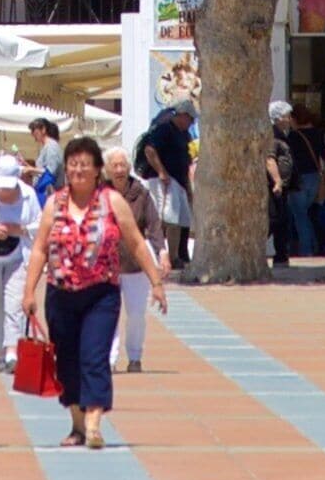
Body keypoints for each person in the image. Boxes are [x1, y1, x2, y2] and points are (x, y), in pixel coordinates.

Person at [22, 135, 166, 449]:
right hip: (60, 293)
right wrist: (29, 290)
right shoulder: (54, 203)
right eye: (73, 165)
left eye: (85, 165)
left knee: (95, 356)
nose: (78, 171)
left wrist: (156, 282)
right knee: (67, 360)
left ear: (97, 169)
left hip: (101, 293)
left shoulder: (112, 201)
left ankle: (93, 423)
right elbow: (38, 250)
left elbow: (137, 243)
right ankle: (77, 425)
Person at [0, 155, 39, 364]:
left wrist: (20, 229)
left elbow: (39, 225)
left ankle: (13, 351)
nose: (5, 190)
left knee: (14, 303)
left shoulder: (29, 195)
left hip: (18, 256)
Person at [107, 149, 158, 373]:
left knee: (136, 314)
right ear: (107, 169)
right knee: (109, 314)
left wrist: (162, 252)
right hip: (107, 266)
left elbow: (153, 225)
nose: (119, 170)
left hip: (135, 264)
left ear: (128, 168)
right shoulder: (101, 193)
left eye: (122, 165)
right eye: (114, 166)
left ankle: (135, 356)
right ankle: (109, 358)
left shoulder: (141, 193)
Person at [272, 100, 325, 264]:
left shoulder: (291, 136)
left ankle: (306, 250)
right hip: (314, 177)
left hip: (299, 178)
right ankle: (313, 245)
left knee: (300, 215)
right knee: (306, 213)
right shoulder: (318, 133)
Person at [139, 105, 196, 271]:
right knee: (164, 219)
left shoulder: (184, 134)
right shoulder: (164, 129)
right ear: (182, 115)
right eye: (190, 119)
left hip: (178, 182)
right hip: (162, 180)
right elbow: (149, 150)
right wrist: (161, 171)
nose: (191, 123)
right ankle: (159, 255)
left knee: (177, 221)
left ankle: (174, 256)